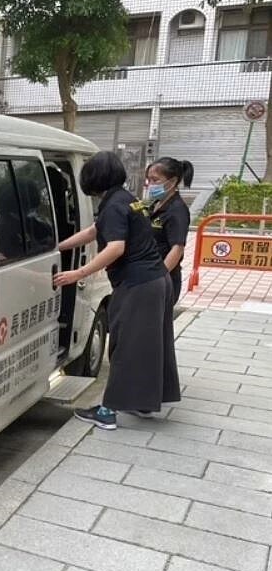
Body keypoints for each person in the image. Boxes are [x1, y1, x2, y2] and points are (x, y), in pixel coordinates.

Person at [54, 151, 180, 429]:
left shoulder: (113, 205)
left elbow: (115, 247)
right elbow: (94, 231)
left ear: (94, 178)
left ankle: (107, 411)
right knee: (149, 346)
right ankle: (144, 402)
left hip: (138, 285)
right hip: (156, 280)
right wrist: (57, 246)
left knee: (124, 346)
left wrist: (79, 273)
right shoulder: (125, 198)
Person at [145, 157, 193, 305]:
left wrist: (158, 277)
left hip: (162, 279)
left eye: (155, 180)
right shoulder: (153, 204)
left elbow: (177, 249)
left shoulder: (177, 210)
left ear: (172, 182)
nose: (150, 185)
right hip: (145, 275)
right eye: (149, 180)